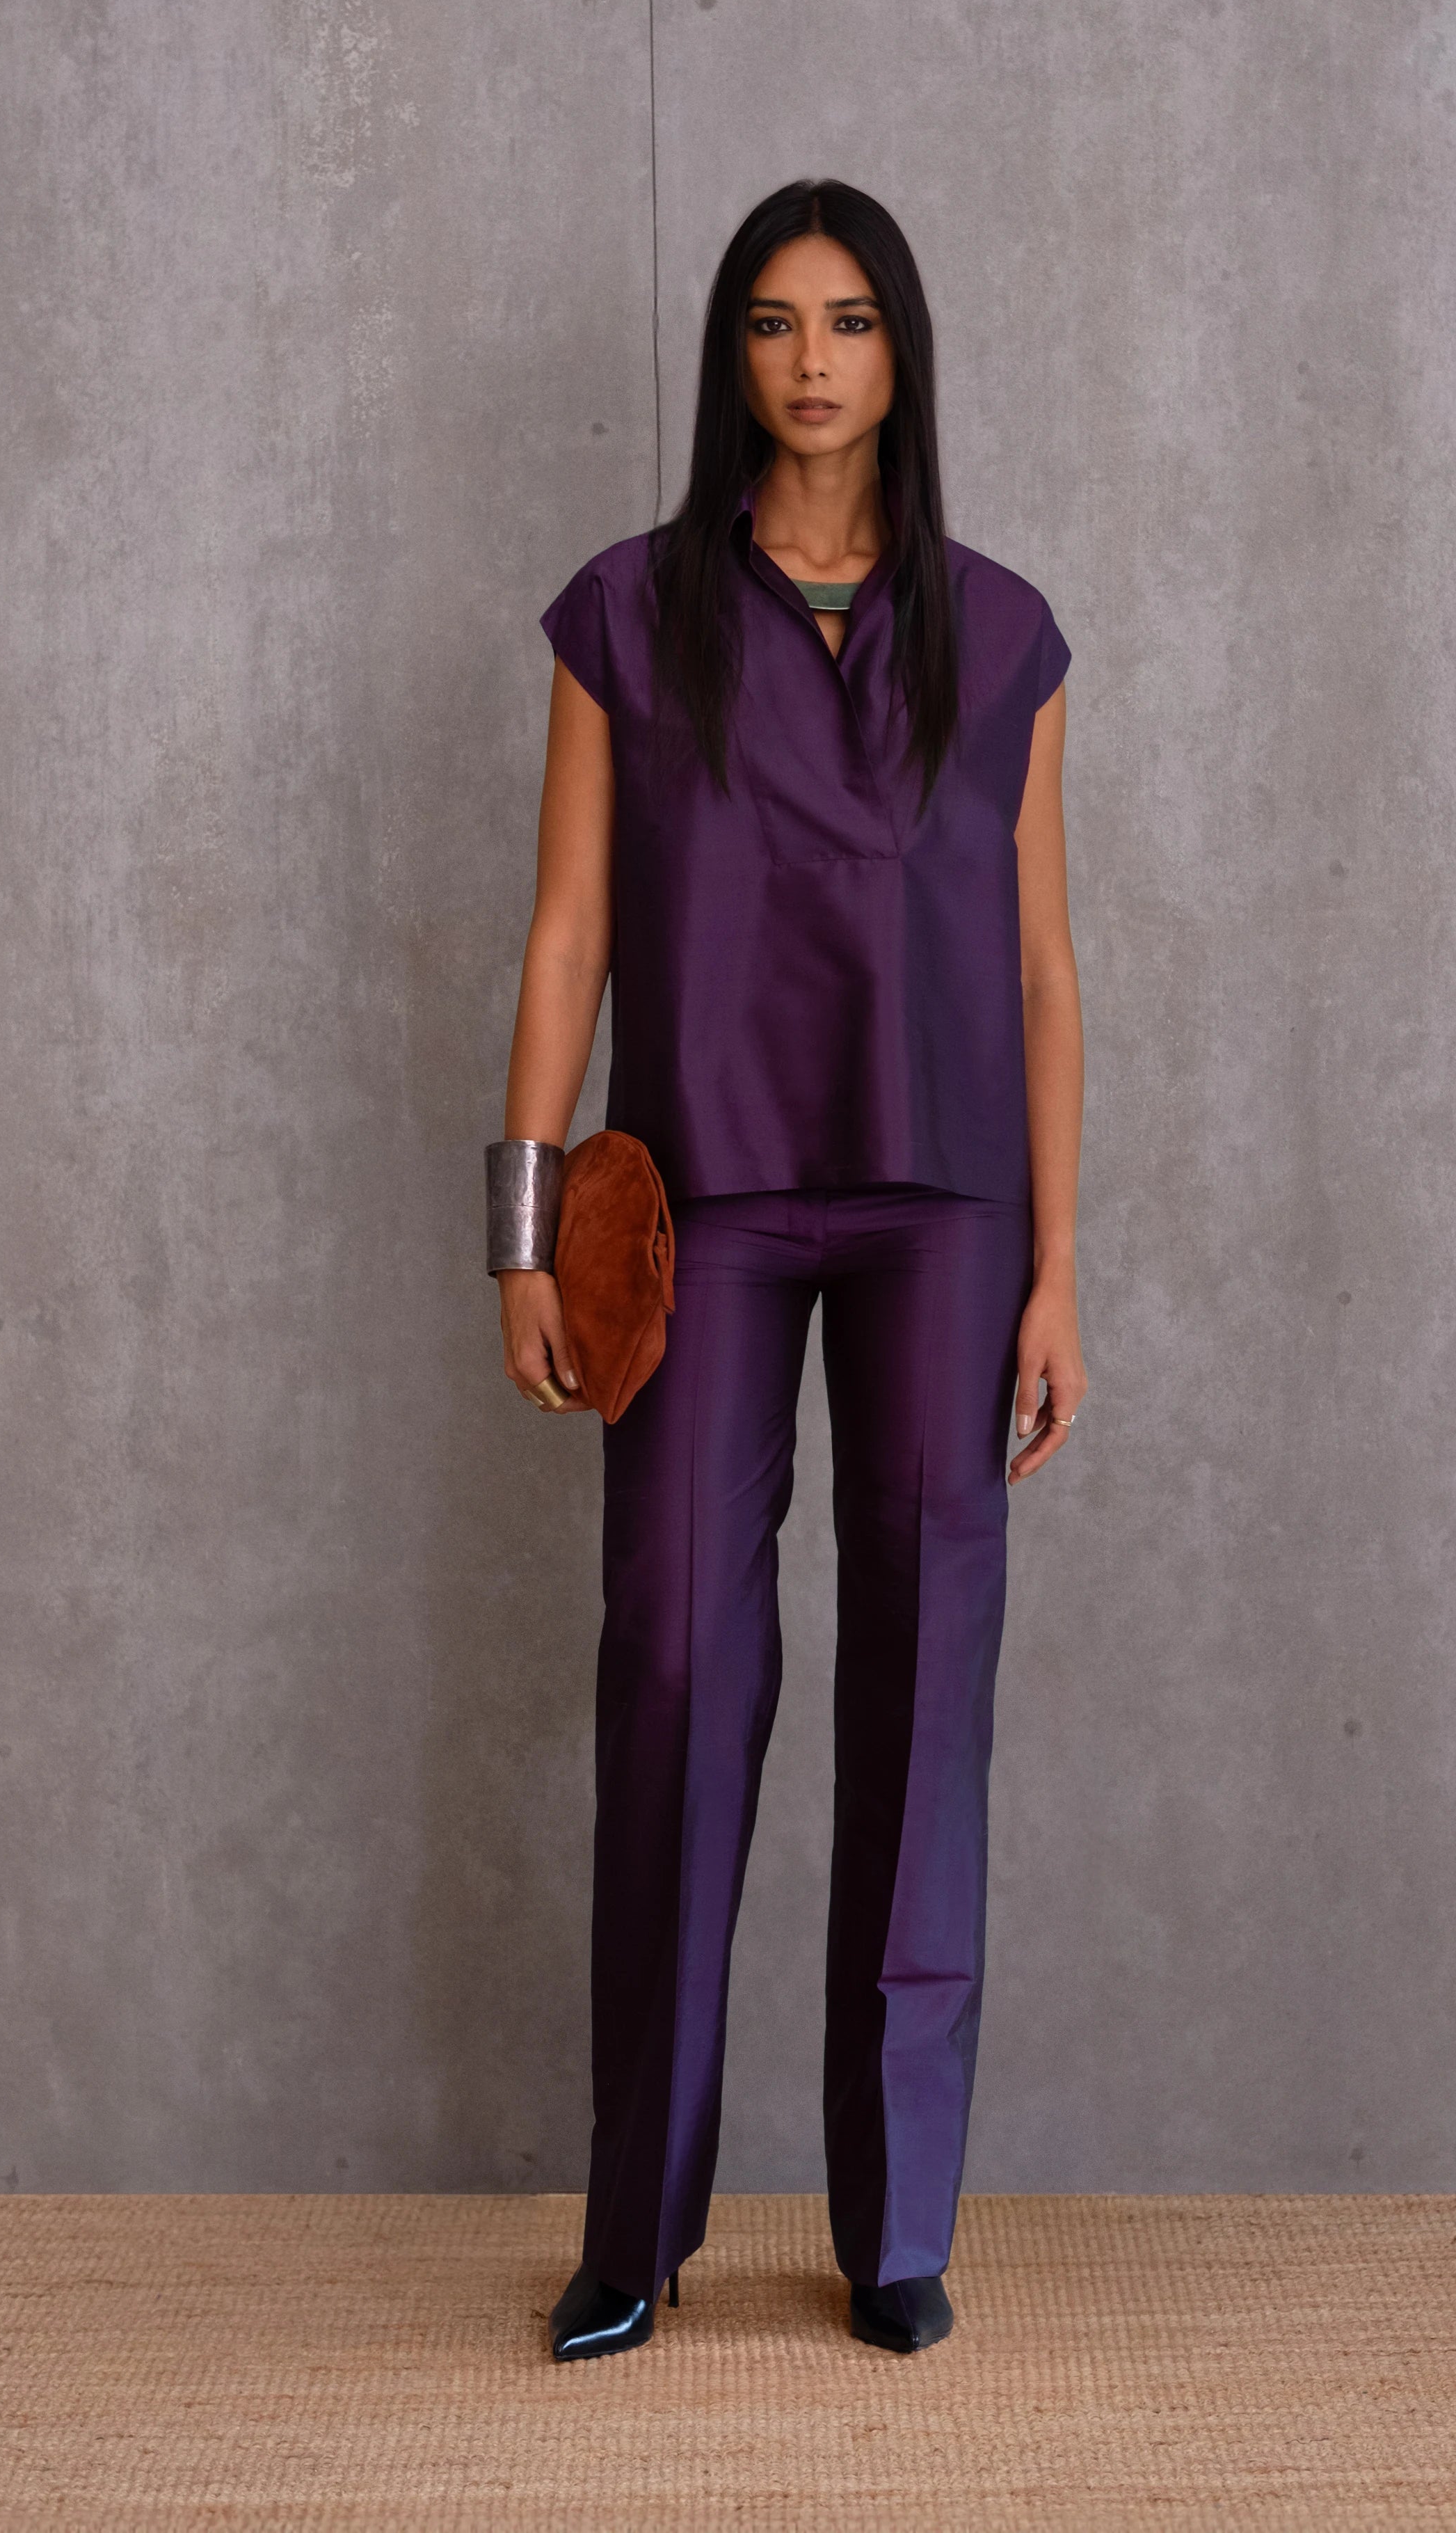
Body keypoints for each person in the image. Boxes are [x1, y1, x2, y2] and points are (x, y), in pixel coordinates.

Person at [488, 178, 1086, 2360]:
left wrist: (1060, 1270)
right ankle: (635, 2232)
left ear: (901, 352)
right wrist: (522, 1230)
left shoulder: (1001, 635)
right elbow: (568, 929)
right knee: (672, 1667)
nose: (812, 361)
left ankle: (898, 2230)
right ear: (730, 358)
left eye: (848, 321)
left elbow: (1042, 963)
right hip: (705, 1208)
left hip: (949, 1211)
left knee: (928, 1689)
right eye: (771, 322)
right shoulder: (629, 618)